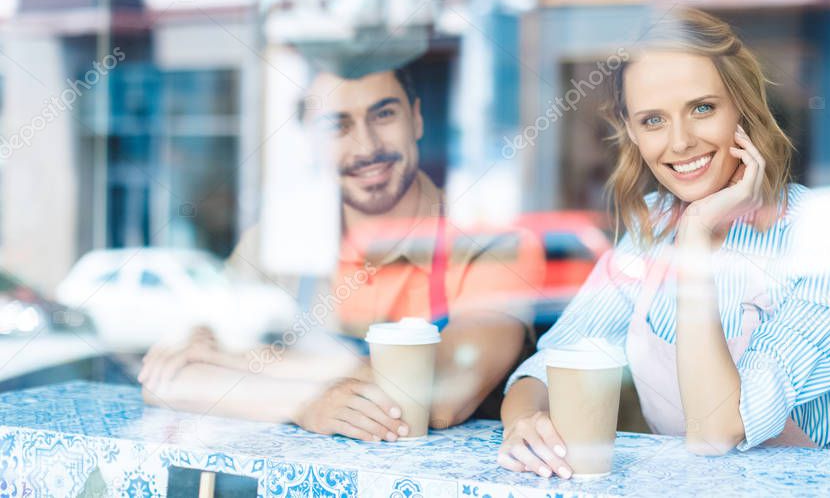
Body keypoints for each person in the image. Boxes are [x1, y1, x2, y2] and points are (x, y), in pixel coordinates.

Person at [497, 9, 830, 478]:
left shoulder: (829, 239)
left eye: (702, 108)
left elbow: (717, 429)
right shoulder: (652, 228)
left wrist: (696, 237)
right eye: (653, 120)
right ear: (634, 133)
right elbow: (549, 367)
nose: (679, 142)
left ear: (743, 107)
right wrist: (524, 422)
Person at [139, 55, 545, 440]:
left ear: (417, 118)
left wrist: (240, 364)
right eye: (338, 125)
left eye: (383, 114)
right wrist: (304, 404)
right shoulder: (278, 242)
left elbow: (436, 396)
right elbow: (171, 381)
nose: (367, 147)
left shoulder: (492, 246)